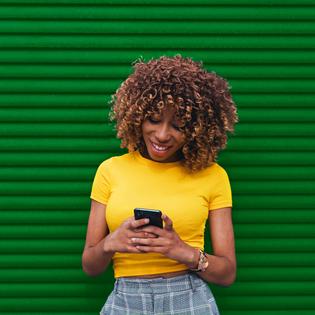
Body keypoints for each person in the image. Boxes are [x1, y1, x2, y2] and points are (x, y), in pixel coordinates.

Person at [82, 55, 238, 315]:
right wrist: (111, 243)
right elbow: (90, 266)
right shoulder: (110, 170)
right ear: (137, 116)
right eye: (154, 120)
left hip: (190, 299)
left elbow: (227, 273)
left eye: (178, 125)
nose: (163, 135)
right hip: (126, 299)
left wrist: (182, 251)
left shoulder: (213, 175)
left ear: (196, 128)